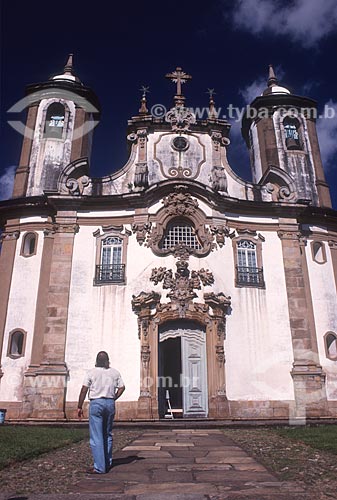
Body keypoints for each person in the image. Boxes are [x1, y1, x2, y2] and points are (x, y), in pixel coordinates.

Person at [77, 351, 125, 474]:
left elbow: (84, 390)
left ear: (96, 361)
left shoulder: (91, 372)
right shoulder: (115, 372)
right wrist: (114, 397)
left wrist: (79, 406)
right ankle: (107, 463)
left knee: (96, 436)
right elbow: (122, 387)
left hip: (96, 403)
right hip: (109, 403)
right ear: (107, 360)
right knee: (107, 434)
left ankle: (99, 467)